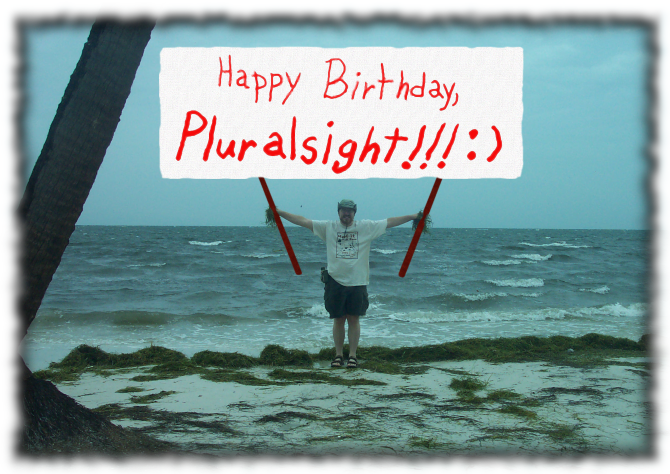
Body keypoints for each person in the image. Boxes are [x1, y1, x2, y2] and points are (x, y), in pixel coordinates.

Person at [276, 199, 419, 369]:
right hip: (334, 281)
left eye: (349, 211)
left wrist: (413, 216)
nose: (346, 213)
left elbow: (390, 222)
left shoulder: (366, 227)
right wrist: (279, 212)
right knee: (338, 320)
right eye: (343, 210)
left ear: (354, 213)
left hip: (358, 282)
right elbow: (303, 221)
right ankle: (338, 355)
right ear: (338, 212)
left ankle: (352, 356)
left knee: (353, 319)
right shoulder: (328, 227)